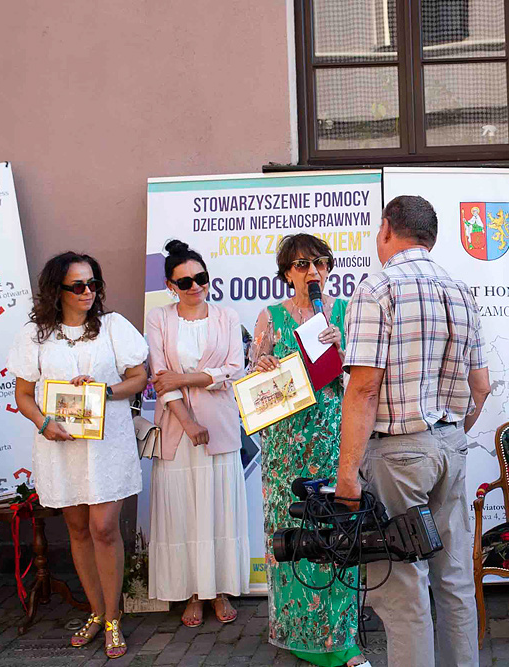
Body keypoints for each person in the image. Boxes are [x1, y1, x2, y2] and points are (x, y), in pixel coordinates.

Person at [335, 195, 490, 667]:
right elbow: (481, 386)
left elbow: (363, 389)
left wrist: (345, 478)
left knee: (402, 590)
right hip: (449, 445)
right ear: (432, 238)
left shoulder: (377, 289)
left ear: (386, 230)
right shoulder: (462, 290)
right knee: (455, 580)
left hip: (399, 454)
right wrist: (450, 433)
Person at [7, 252, 148, 659]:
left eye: (93, 284)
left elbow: (139, 378)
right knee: (79, 528)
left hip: (107, 443)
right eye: (78, 286)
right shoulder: (35, 335)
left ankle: (114, 617)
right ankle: (96, 611)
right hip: (60, 444)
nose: (89, 292)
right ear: (58, 290)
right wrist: (42, 422)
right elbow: (23, 395)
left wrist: (104, 388)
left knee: (104, 526)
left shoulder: (113, 327)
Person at [249, 234, 368, 667]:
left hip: (335, 440)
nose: (312, 272)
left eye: (319, 263)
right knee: (291, 534)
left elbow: (363, 381)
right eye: (301, 265)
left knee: (336, 533)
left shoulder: (345, 313)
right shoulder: (271, 317)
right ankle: (297, 633)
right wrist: (261, 365)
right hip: (286, 446)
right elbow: (254, 381)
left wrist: (345, 351)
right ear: (286, 273)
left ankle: (342, 639)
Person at [144, 239, 249, 627]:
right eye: (184, 281)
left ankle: (218, 590)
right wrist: (188, 422)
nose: (194, 287)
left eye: (200, 278)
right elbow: (159, 375)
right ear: (171, 285)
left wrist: (187, 376)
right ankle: (192, 592)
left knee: (218, 509)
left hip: (220, 425)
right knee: (184, 510)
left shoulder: (227, 316)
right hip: (177, 428)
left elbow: (234, 369)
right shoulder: (159, 319)